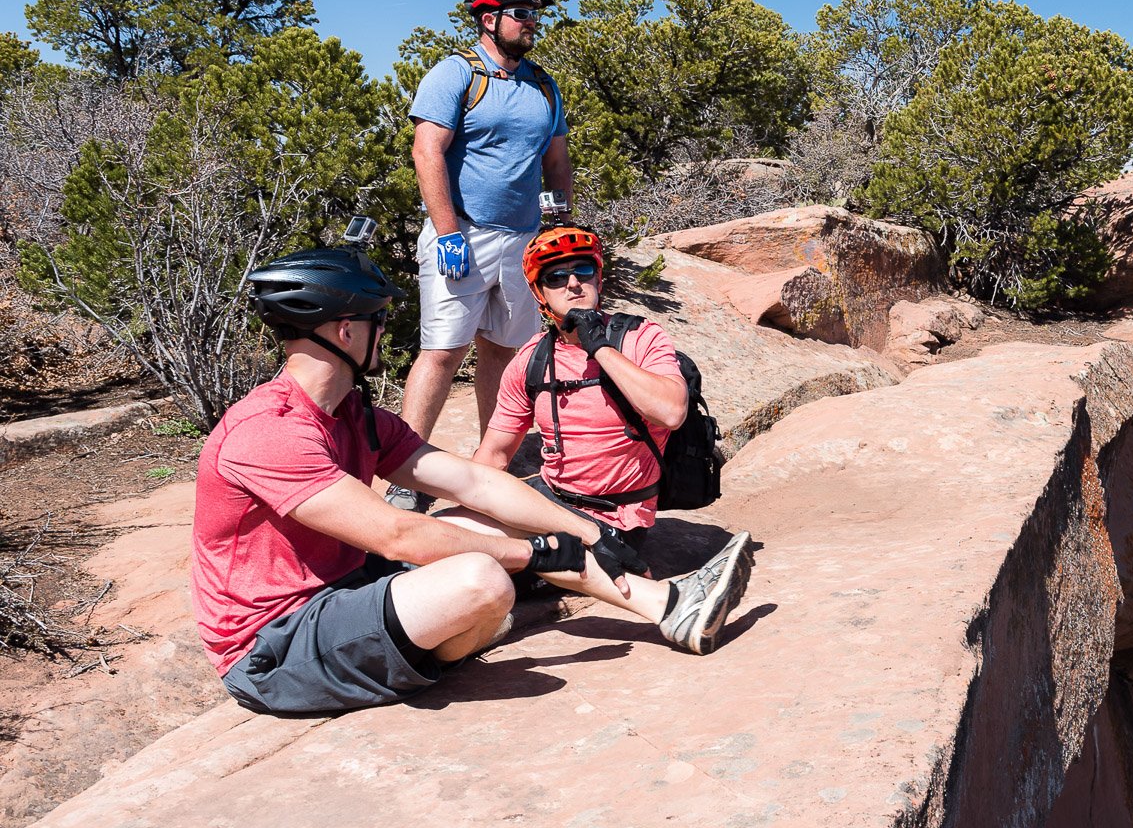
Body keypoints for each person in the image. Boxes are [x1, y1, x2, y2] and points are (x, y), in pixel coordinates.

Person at [191, 244, 754, 716]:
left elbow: (473, 483)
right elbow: (398, 536)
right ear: (345, 330)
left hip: (348, 593)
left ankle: (668, 608)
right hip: (276, 643)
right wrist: (536, 553)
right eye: (379, 320)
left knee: (474, 523)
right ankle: (448, 635)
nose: (384, 331)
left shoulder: (355, 415)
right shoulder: (269, 431)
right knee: (482, 579)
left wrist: (586, 534)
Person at [396, 0, 572, 511]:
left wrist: (562, 223)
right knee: (443, 351)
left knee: (505, 351)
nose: (531, 22)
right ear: (488, 19)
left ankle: (497, 457)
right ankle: (407, 472)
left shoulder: (543, 85)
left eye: (533, 13)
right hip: (463, 235)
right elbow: (426, 152)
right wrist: (448, 234)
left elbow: (557, 161)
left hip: (521, 239)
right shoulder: (455, 75)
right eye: (520, 13)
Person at [473, 227, 694, 559]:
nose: (573, 283)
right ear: (540, 294)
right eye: (556, 277)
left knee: (494, 561)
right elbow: (494, 456)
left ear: (598, 279)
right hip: (549, 501)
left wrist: (599, 346)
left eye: (583, 270)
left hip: (615, 518)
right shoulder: (533, 358)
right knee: (445, 535)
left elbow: (671, 413)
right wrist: (472, 513)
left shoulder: (641, 338)